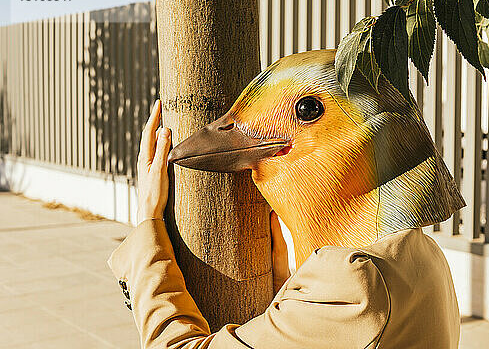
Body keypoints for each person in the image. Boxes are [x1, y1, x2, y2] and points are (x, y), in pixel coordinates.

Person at [109, 51, 462, 348]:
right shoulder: (424, 254)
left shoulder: (355, 282)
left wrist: (147, 227)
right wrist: (285, 292)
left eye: (308, 110)